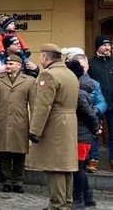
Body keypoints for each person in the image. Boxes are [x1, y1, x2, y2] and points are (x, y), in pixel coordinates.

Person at [28, 43, 79, 210]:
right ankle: (67, 202)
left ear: (45, 57)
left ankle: (57, 205)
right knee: (66, 166)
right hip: (69, 122)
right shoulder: (70, 74)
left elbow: (43, 106)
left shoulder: (48, 76)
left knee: (54, 166)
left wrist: (35, 130)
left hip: (55, 123)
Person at [0, 53, 35, 193]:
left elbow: (34, 104)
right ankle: (6, 180)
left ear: (19, 66)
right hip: (2, 120)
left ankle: (18, 181)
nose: (8, 65)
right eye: (7, 63)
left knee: (20, 153)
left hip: (21, 122)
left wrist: (34, 125)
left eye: (11, 64)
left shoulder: (29, 81)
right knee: (3, 152)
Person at [66, 54, 101, 209]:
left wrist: (96, 129)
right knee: (79, 168)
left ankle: (78, 200)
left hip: (81, 136)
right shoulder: (81, 90)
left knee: (78, 169)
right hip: (81, 135)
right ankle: (88, 198)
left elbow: (89, 115)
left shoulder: (78, 93)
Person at [87, 35, 113, 173]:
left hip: (112, 104)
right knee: (94, 132)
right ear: (98, 47)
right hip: (96, 104)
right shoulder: (90, 63)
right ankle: (93, 160)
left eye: (109, 45)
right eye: (104, 45)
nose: (108, 47)